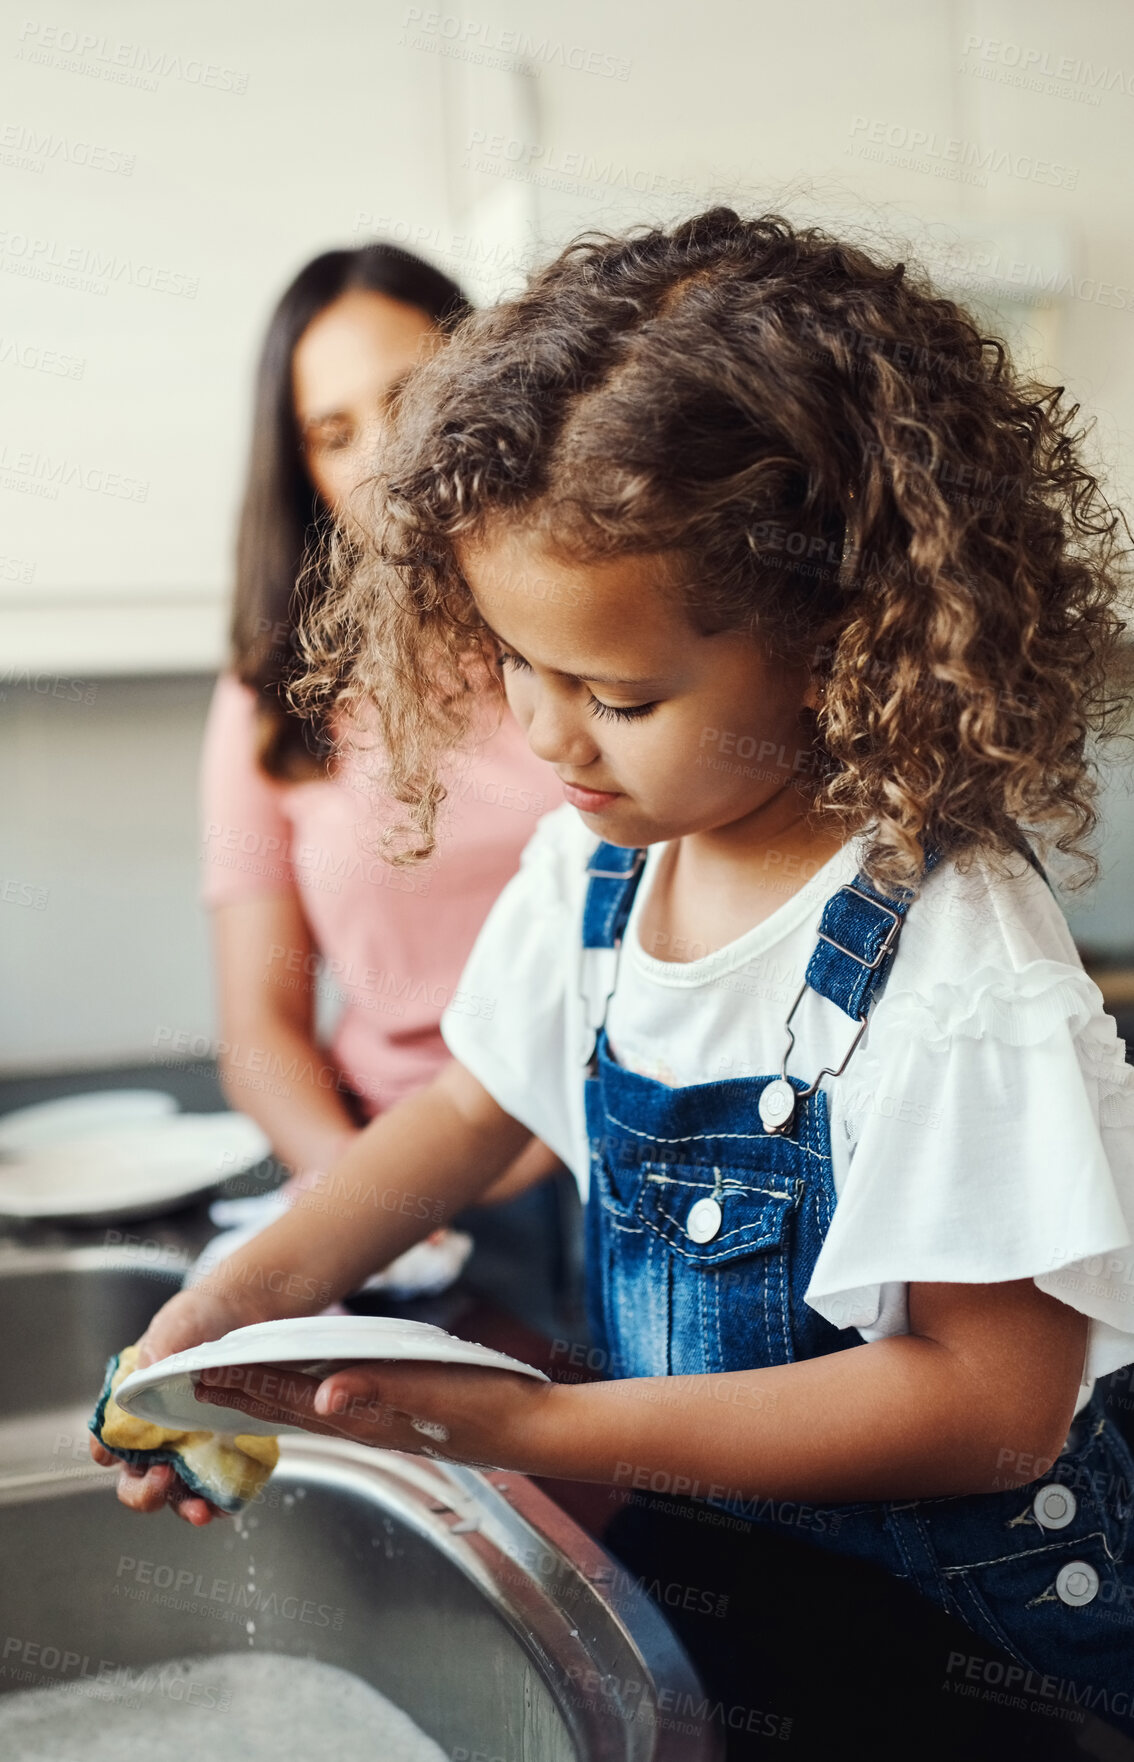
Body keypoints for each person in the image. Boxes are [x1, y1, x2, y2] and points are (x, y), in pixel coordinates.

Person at [95, 209, 1134, 1744]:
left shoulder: (953, 951)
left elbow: (988, 1408)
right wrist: (236, 1306)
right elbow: (465, 1112)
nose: (550, 735)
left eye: (617, 692)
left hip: (965, 1649)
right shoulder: (595, 871)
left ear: (842, 641)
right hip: (721, 1570)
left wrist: (547, 1425)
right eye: (515, 662)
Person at [195, 241, 561, 1275]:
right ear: (303, 468)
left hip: (603, 1150)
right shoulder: (270, 699)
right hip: (379, 1172)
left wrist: (521, 1147)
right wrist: (365, 1195)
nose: (384, 454)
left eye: (410, 396)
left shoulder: (581, 634)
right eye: (333, 431)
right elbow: (260, 1026)